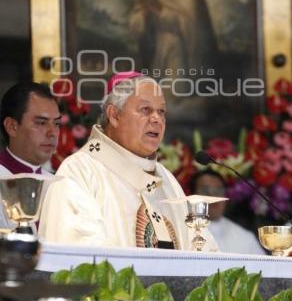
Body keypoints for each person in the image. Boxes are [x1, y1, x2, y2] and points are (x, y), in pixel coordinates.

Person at [38, 72, 218, 250]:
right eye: (145, 110)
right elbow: (80, 251)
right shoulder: (80, 171)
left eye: (161, 111)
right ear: (114, 115)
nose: (157, 119)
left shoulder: (167, 179)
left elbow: (201, 249)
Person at [0, 82, 61, 229]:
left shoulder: (58, 185)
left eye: (57, 124)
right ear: (12, 127)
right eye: (41, 123)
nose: (52, 133)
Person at [190, 169, 264, 255]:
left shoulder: (245, 237)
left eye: (218, 191)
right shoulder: (177, 231)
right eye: (205, 191)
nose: (213, 196)